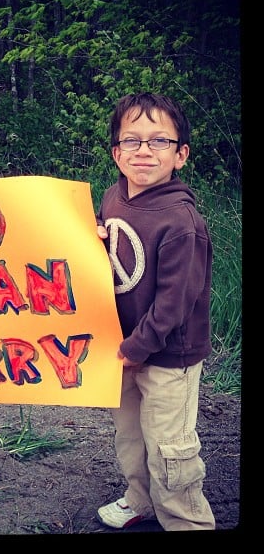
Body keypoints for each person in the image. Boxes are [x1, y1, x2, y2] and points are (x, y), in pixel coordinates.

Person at [95, 93, 216, 531]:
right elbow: (105, 248)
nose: (144, 151)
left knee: (170, 447)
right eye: (132, 141)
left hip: (167, 356)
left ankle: (185, 519)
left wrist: (139, 347)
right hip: (121, 346)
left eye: (159, 141)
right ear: (116, 152)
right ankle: (139, 499)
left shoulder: (181, 221)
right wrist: (92, 234)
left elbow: (175, 302)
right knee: (130, 437)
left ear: (180, 155)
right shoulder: (113, 197)